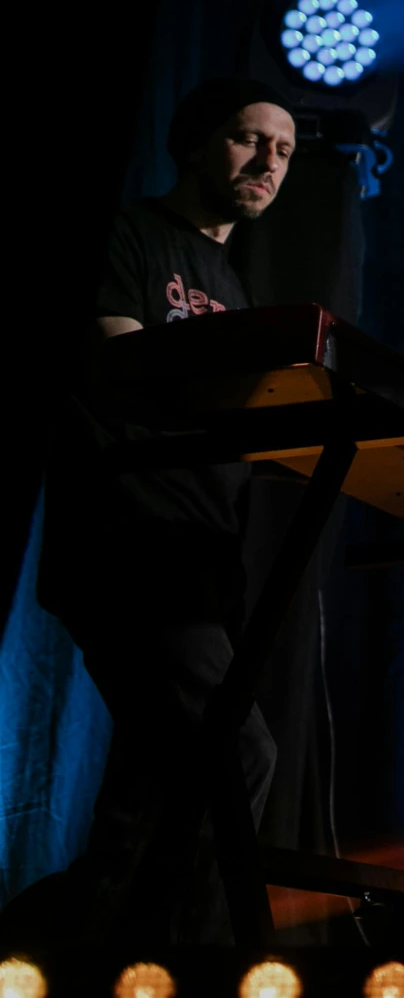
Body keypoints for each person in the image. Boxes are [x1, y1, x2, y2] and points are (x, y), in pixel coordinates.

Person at [22, 78, 298, 943]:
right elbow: (122, 369)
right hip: (127, 545)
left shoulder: (234, 283)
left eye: (284, 151)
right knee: (236, 752)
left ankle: (57, 951)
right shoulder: (132, 235)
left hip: (199, 563)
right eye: (248, 139)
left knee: (148, 796)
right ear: (192, 144)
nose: (268, 162)